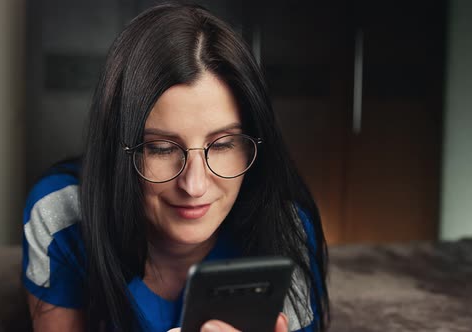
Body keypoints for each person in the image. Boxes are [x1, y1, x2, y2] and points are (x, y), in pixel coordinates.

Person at [22, 2, 329, 331]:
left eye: (223, 144)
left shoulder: (286, 223)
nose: (194, 185)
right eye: (161, 148)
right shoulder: (61, 213)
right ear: (118, 149)